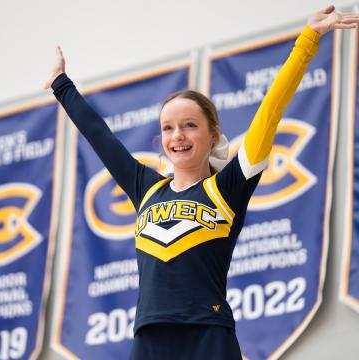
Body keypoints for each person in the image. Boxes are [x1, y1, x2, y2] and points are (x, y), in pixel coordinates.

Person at [45, 5, 359, 360]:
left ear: (213, 135)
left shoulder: (228, 187)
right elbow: (98, 134)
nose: (177, 135)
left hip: (208, 334)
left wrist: (308, 40)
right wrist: (61, 84)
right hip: (149, 336)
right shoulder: (146, 188)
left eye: (190, 125)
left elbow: (270, 110)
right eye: (168, 127)